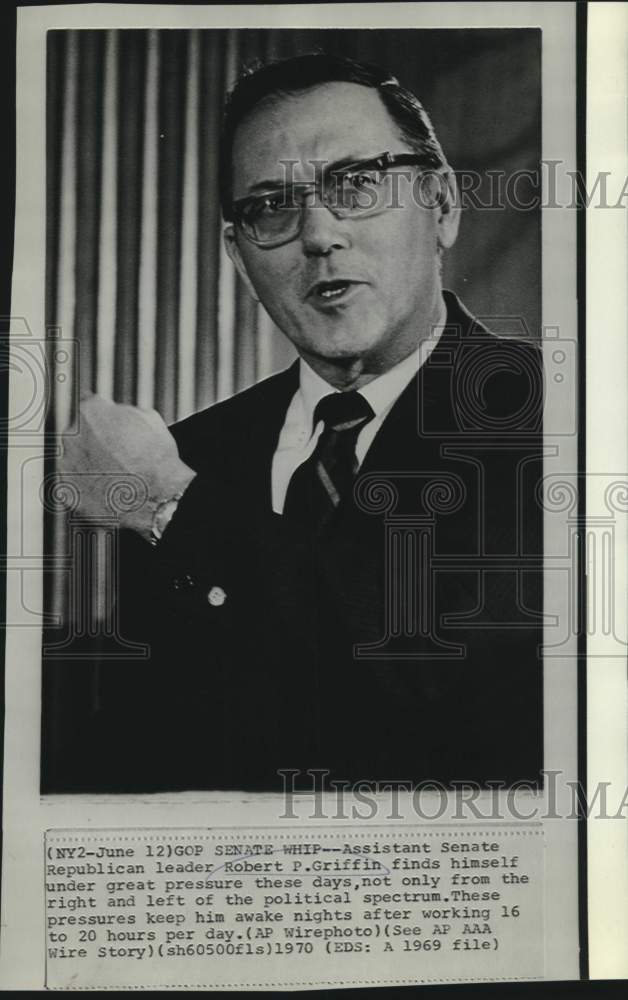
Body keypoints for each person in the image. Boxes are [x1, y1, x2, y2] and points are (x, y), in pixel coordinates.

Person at [47, 54, 544, 794]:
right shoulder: (197, 453)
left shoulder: (558, 417)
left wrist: (170, 507)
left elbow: (427, 698)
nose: (318, 233)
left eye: (357, 183)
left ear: (441, 207)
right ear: (239, 258)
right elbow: (144, 748)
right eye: (271, 207)